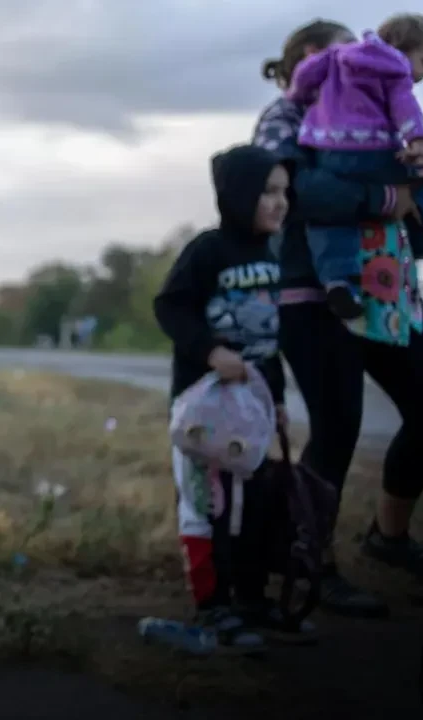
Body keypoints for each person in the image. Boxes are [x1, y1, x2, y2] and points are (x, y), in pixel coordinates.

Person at [255, 19, 423, 619]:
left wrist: (421, 176)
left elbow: (416, 220)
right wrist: (385, 198)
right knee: (336, 432)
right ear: (311, 56)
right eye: (348, 54)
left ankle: (389, 537)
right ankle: (311, 568)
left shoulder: (380, 115)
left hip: (388, 289)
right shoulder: (280, 119)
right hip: (312, 295)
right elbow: (295, 194)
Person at [153, 144, 294, 652]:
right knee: (203, 503)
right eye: (268, 192)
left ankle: (250, 600)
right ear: (238, 196)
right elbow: (169, 307)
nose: (281, 202)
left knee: (251, 501)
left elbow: (267, 342)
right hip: (202, 408)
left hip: (250, 407)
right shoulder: (208, 250)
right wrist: (210, 352)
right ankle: (213, 608)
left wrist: (276, 400)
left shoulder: (270, 255)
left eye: (284, 192)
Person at [285, 14, 423, 321]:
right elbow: (405, 105)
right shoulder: (394, 68)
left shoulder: (334, 60)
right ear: (402, 49)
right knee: (419, 175)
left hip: (331, 150)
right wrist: (417, 140)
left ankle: (339, 280)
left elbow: (302, 80)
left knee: (331, 224)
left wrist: (300, 95)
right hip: (378, 151)